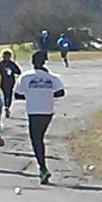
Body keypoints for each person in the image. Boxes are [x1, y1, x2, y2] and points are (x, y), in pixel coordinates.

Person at [14, 50, 65, 185]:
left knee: (36, 140)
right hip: (47, 112)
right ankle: (42, 168)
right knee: (39, 138)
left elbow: (17, 94)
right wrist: (46, 93)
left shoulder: (26, 77)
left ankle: (42, 169)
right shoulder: (52, 77)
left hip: (34, 111)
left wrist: (32, 94)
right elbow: (60, 92)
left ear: (32, 62)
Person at [0, 50, 22, 118]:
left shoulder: (12, 64)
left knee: (9, 95)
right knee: (5, 95)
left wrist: (13, 71)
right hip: (2, 82)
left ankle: (7, 107)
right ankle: (6, 106)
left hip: (10, 82)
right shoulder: (0, 64)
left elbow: (18, 71)